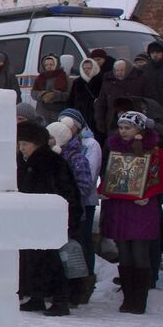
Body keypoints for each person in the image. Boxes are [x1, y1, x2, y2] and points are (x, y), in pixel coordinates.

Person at [99, 111, 163, 314]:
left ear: (139, 129)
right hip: (120, 207)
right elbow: (111, 175)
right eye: (121, 128)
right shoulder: (116, 149)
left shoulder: (154, 152)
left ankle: (139, 300)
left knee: (140, 253)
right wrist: (102, 190)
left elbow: (161, 180)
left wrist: (149, 194)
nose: (123, 132)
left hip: (142, 208)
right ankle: (128, 298)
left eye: (128, 128)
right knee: (125, 254)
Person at [16, 121, 79, 316]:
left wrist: (67, 219)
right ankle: (37, 297)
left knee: (53, 261)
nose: (21, 148)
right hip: (33, 220)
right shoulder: (25, 163)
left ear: (36, 143)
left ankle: (60, 300)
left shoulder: (51, 162)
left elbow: (67, 192)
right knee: (34, 259)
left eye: (25, 144)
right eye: (20, 144)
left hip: (52, 221)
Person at [48, 120, 95, 305]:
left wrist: (65, 199)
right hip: (56, 214)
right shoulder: (52, 157)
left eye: (51, 137)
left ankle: (77, 291)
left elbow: (84, 186)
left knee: (72, 254)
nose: (49, 141)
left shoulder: (76, 158)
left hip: (73, 214)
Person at [57, 108, 103, 290]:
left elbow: (89, 176)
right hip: (66, 202)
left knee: (83, 241)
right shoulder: (59, 144)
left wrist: (74, 195)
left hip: (85, 201)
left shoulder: (90, 145)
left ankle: (85, 282)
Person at [94, 58, 157, 135]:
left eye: (122, 70)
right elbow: (101, 102)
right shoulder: (108, 80)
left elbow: (150, 100)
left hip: (135, 120)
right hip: (112, 120)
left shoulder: (141, 78)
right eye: (117, 70)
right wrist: (100, 120)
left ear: (128, 69)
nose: (119, 73)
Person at [30, 53, 70, 123]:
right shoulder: (40, 78)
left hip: (57, 112)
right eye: (46, 65)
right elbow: (33, 93)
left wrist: (55, 95)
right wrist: (42, 95)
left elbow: (69, 95)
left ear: (56, 64)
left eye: (51, 64)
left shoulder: (64, 77)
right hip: (42, 111)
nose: (48, 67)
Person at [67, 58, 102, 134]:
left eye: (89, 68)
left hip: (96, 115)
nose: (86, 70)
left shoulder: (100, 81)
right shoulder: (77, 82)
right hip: (81, 115)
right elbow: (71, 99)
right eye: (84, 68)